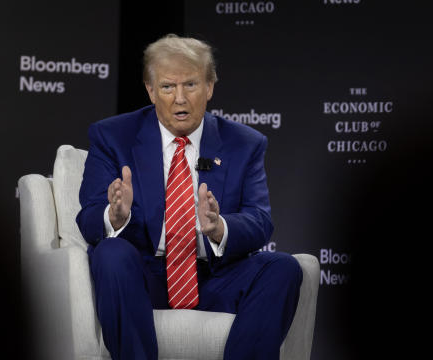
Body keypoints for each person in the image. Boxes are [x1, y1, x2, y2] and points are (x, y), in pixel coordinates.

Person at [76, 34, 302, 360]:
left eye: (191, 85)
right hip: (142, 278)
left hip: (213, 278)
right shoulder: (113, 136)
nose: (180, 98)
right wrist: (115, 217)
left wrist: (219, 226)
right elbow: (88, 217)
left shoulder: (245, 143)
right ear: (151, 90)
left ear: (210, 87)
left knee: (283, 267)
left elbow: (259, 220)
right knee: (111, 253)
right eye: (168, 87)